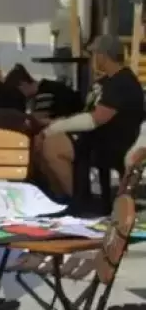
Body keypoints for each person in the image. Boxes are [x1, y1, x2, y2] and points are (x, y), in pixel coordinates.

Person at [37, 34, 145, 202]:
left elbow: (96, 119)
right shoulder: (106, 81)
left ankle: (76, 200)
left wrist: (56, 127)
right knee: (39, 141)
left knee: (52, 147)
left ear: (103, 55)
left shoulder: (122, 83)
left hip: (109, 142)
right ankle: (58, 197)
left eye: (95, 54)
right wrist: (57, 123)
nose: (93, 59)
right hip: (93, 137)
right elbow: (87, 112)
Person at [4, 63, 83, 123]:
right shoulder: (49, 86)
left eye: (17, 92)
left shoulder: (43, 95)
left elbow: (38, 122)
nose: (19, 96)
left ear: (23, 84)